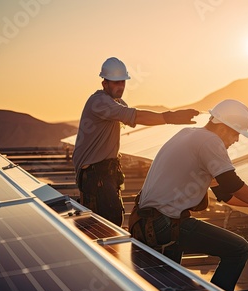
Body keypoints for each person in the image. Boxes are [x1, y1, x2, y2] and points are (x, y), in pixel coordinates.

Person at [129, 99, 248, 291]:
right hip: (164, 225)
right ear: (223, 127)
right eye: (236, 133)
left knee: (169, 283)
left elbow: (225, 195)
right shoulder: (210, 141)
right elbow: (232, 183)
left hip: (146, 223)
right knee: (239, 249)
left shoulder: (188, 135)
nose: (236, 140)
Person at [73, 57, 198, 226]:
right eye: (116, 83)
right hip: (96, 175)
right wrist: (170, 117)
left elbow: (135, 114)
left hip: (104, 173)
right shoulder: (99, 102)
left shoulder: (114, 102)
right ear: (105, 83)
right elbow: (136, 116)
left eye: (122, 82)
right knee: (108, 223)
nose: (120, 87)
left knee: (110, 221)